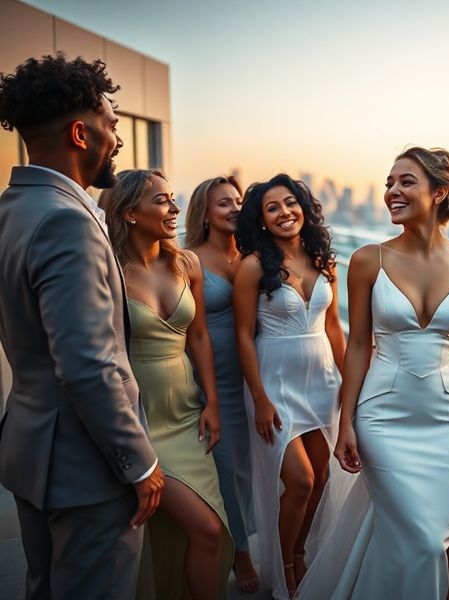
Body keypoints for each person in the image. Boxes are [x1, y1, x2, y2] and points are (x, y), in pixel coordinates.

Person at [296, 147, 449, 600]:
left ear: (441, 191)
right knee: (423, 539)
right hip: (381, 414)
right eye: (389, 182)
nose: (392, 191)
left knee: (436, 538)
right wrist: (346, 421)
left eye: (405, 181)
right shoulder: (369, 259)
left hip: (447, 417)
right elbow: (357, 346)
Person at [0, 54, 163, 599]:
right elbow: (88, 363)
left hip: (34, 458)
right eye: (112, 125)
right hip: (88, 471)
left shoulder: (12, 210)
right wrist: (138, 464)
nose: (117, 139)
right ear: (80, 131)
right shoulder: (67, 220)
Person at [99, 169, 234, 600]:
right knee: (205, 527)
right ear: (129, 213)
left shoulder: (184, 263)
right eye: (161, 200)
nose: (175, 209)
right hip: (141, 416)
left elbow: (198, 336)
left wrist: (211, 400)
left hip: (187, 415)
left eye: (173, 199)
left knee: (208, 530)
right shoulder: (109, 272)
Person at [233, 174, 346, 599]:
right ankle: (282, 564)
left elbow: (334, 328)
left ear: (304, 207)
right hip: (274, 383)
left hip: (321, 381)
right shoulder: (252, 267)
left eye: (290, 203)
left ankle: (299, 552)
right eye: (272, 208)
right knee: (297, 480)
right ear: (261, 221)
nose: (285, 213)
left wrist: (349, 383)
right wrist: (260, 399)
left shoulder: (324, 261)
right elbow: (244, 335)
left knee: (319, 478)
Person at [185, 175, 259, 593]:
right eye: (222, 203)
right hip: (215, 379)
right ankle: (241, 554)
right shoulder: (190, 258)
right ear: (205, 214)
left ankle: (248, 534)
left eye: (237, 200)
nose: (233, 208)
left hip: (257, 374)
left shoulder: (253, 255)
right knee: (228, 468)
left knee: (252, 467)